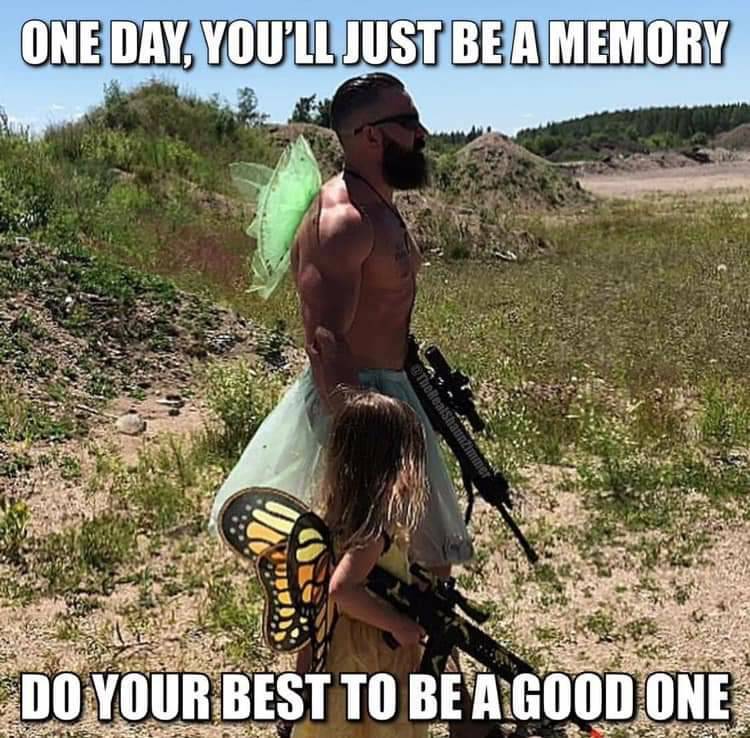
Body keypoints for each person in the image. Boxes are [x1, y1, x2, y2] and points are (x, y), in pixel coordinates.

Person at [209, 72, 478, 737]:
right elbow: (325, 341)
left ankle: (430, 708)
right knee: (357, 568)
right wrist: (367, 451)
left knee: (416, 570)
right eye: (408, 122)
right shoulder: (342, 219)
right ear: (369, 136)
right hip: (357, 411)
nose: (422, 133)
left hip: (393, 398)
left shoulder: (378, 204)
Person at [291, 389, 429, 738]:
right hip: (369, 656)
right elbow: (343, 590)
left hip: (338, 650)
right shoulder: (373, 533)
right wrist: (397, 624)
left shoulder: (339, 523)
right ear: (395, 465)